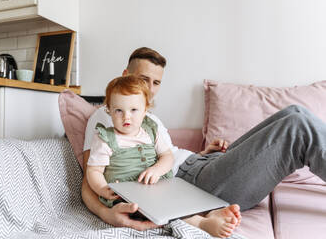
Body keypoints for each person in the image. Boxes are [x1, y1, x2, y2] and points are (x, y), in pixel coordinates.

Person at [82, 47, 326, 231]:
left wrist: (202, 154)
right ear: (126, 75)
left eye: (156, 82)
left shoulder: (146, 118)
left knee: (294, 113)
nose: (150, 88)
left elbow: (166, 154)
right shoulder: (106, 118)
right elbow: (90, 175)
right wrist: (107, 214)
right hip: (190, 182)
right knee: (297, 128)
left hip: (199, 165)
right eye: (143, 79)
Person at [86, 75, 241, 238]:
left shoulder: (151, 130)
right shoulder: (105, 138)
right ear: (108, 110)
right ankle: (201, 223)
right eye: (118, 110)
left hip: (157, 186)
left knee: (180, 196)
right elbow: (94, 171)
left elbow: (167, 156)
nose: (126, 117)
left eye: (133, 110)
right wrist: (103, 189)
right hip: (126, 196)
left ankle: (210, 213)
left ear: (145, 110)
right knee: (159, 211)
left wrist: (157, 170)